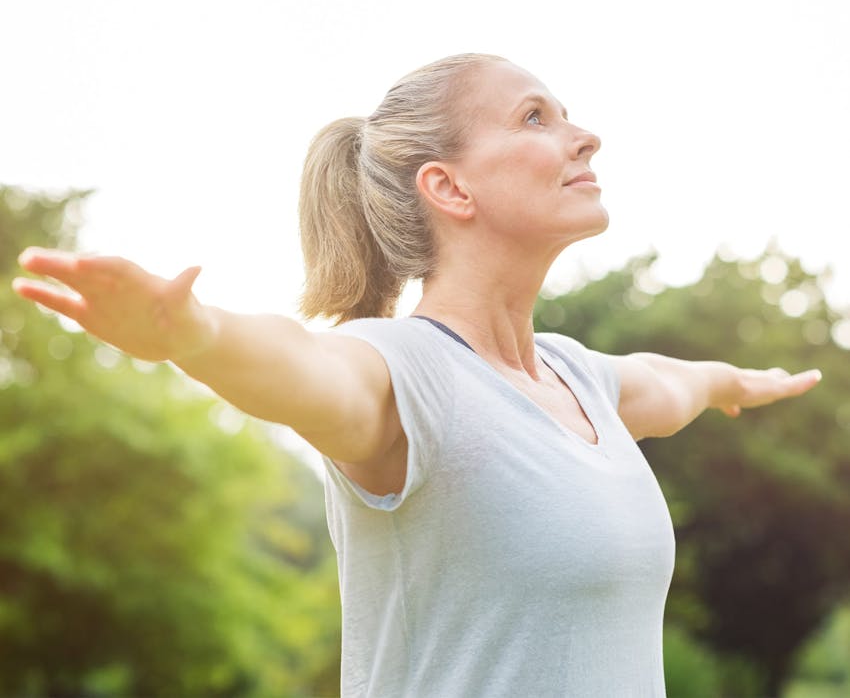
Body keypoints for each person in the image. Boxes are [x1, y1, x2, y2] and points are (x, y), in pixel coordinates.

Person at [13, 53, 821, 697]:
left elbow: (676, 383)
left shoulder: (584, 380)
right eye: (536, 116)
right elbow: (303, 365)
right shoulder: (407, 374)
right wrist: (195, 334)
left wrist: (740, 382)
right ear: (448, 187)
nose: (584, 136)